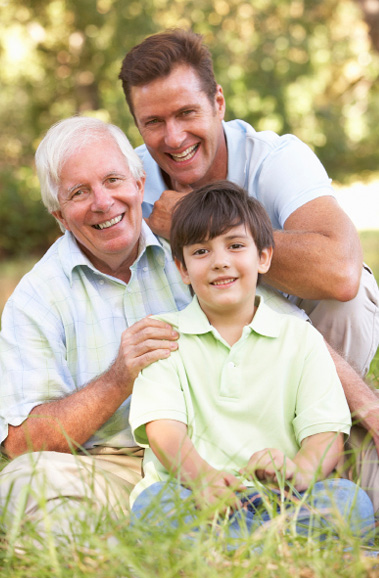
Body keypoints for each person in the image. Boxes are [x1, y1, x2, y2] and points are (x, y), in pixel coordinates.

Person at [119, 28, 379, 477]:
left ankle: (330, 441)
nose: (174, 138)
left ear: (218, 103)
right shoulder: (128, 180)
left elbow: (340, 271)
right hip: (204, 356)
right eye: (153, 122)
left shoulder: (275, 158)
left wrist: (202, 224)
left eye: (187, 113)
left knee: (348, 303)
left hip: (297, 346)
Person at [129, 181, 374, 544]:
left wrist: (300, 472)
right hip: (195, 495)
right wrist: (202, 478)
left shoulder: (301, 339)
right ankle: (272, 547)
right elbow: (164, 431)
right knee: (154, 505)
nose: (220, 261)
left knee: (350, 502)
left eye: (236, 245)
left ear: (263, 257)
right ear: (182, 269)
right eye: (201, 252)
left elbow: (324, 434)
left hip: (285, 500)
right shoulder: (164, 335)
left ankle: (231, 548)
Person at [0, 115, 190, 547]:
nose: (103, 202)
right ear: (60, 216)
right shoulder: (35, 300)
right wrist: (118, 377)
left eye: (112, 180)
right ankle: (159, 535)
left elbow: (284, 331)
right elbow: (22, 443)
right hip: (110, 471)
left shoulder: (193, 247)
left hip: (216, 452)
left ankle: (157, 534)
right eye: (79, 193)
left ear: (140, 185)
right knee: (23, 483)